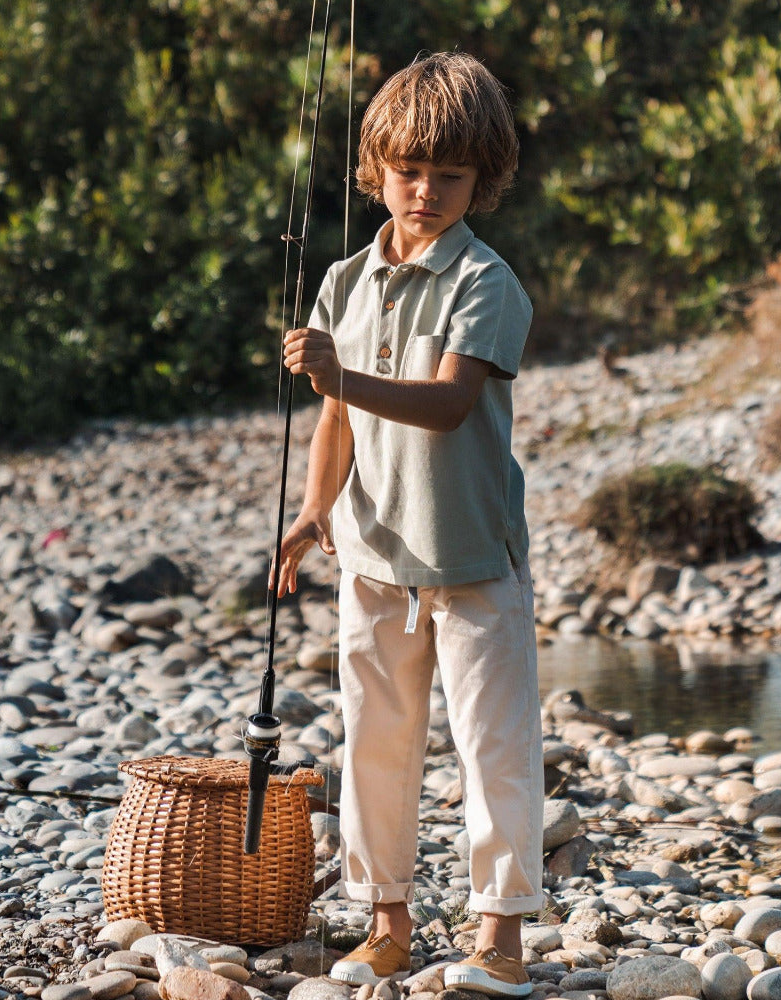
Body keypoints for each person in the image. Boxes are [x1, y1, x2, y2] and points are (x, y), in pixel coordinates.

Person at [275, 51, 542, 998]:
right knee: (375, 743)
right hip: (374, 556)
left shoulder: (488, 282)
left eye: (453, 176)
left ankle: (499, 938)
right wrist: (313, 514)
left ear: (486, 181)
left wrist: (340, 374)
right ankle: (387, 924)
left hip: (473, 558)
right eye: (409, 172)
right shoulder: (346, 280)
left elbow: (447, 405)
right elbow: (336, 422)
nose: (426, 192)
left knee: (493, 748)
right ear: (375, 170)